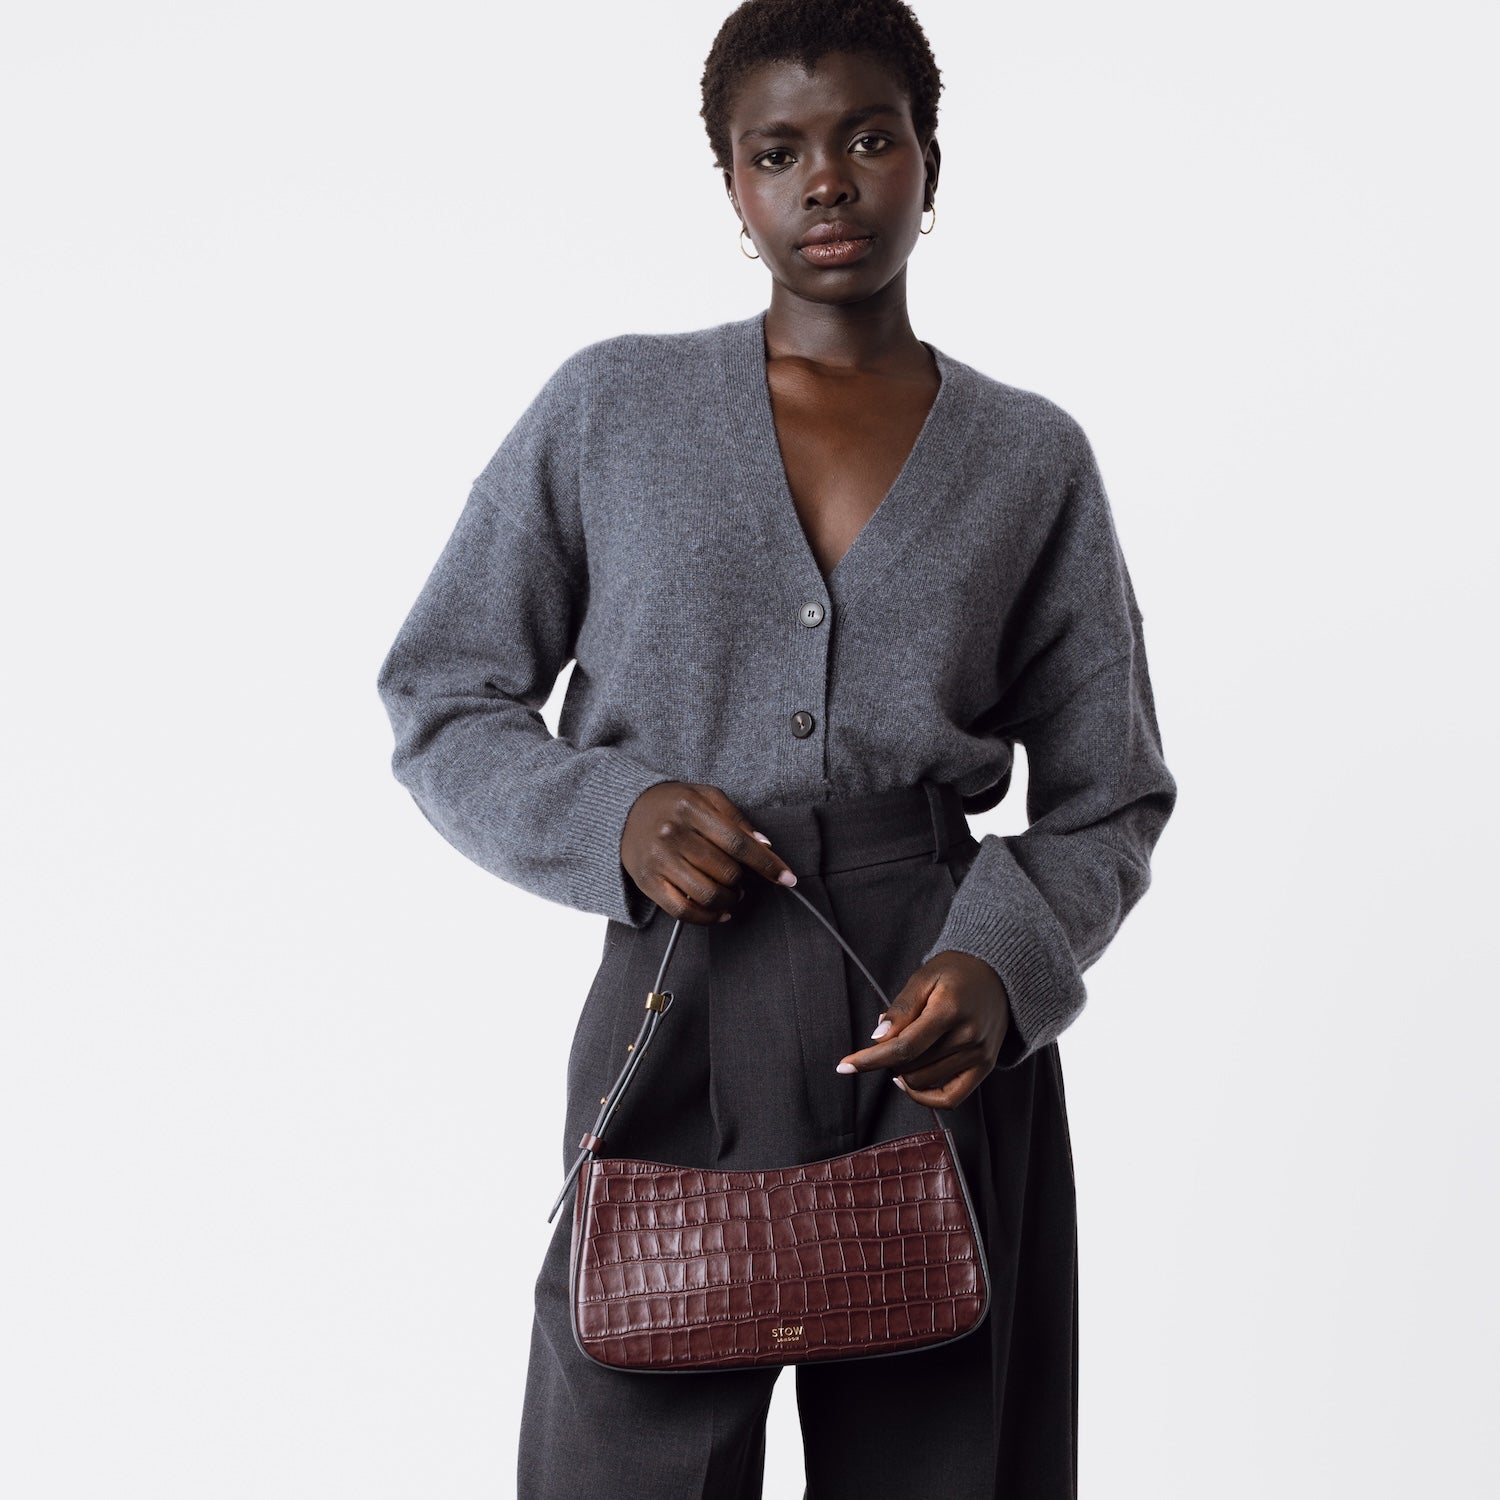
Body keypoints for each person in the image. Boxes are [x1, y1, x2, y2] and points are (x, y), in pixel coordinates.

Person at [375, 1, 1178, 1494]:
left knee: (949, 1460)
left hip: (933, 1014)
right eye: (777, 152)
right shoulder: (610, 408)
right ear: (732, 186)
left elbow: (1110, 792)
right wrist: (611, 818)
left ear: (929, 162)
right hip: (677, 992)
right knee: (623, 1443)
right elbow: (443, 693)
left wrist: (1004, 964)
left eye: (869, 138)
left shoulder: (1031, 457)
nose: (827, 182)